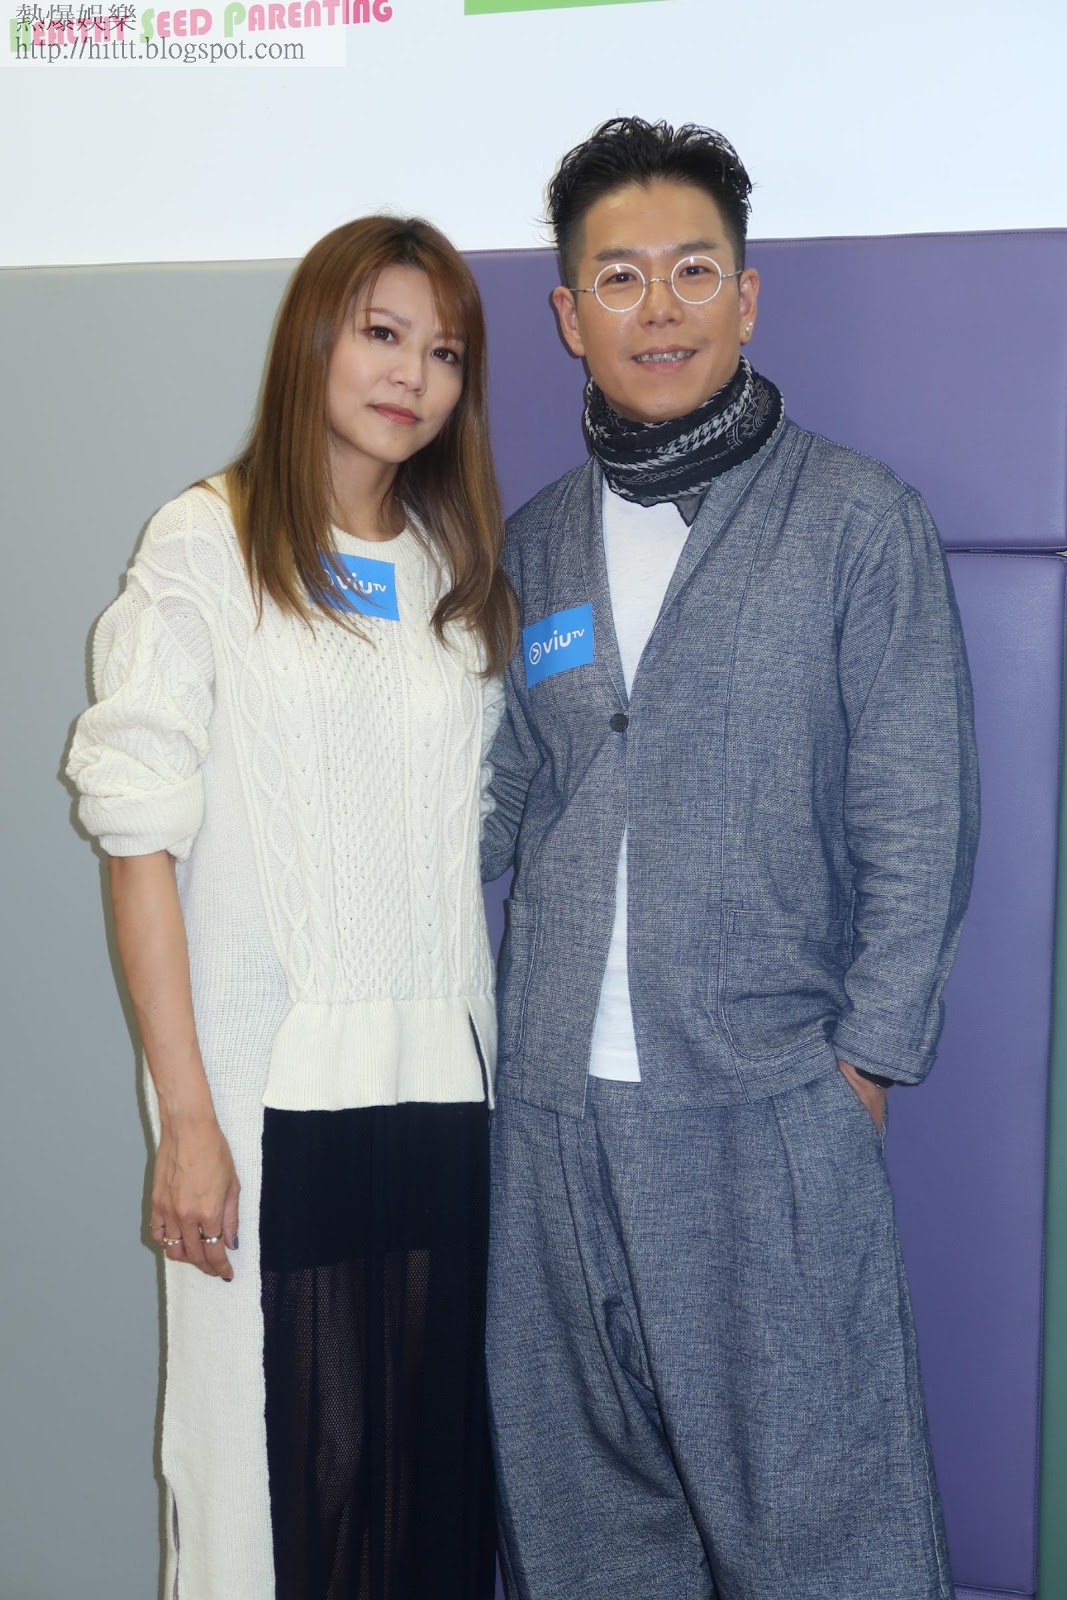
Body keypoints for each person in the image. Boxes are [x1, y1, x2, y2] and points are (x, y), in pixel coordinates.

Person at [482, 118, 978, 1600]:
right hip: (552, 1115)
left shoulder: (856, 522)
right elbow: (494, 799)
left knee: (827, 1532)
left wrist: (867, 1060)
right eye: (619, 277)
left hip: (768, 1103)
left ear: (746, 297)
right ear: (569, 315)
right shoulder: (534, 547)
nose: (661, 308)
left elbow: (918, 806)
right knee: (585, 1525)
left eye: (693, 271)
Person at [67, 215, 514, 1600]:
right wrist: (186, 1120)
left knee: (419, 1485)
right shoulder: (204, 543)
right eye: (382, 333)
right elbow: (138, 841)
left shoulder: (452, 572)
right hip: (266, 1103)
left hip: (441, 1086)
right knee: (266, 1501)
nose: (413, 375)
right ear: (314, 337)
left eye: (444, 351)